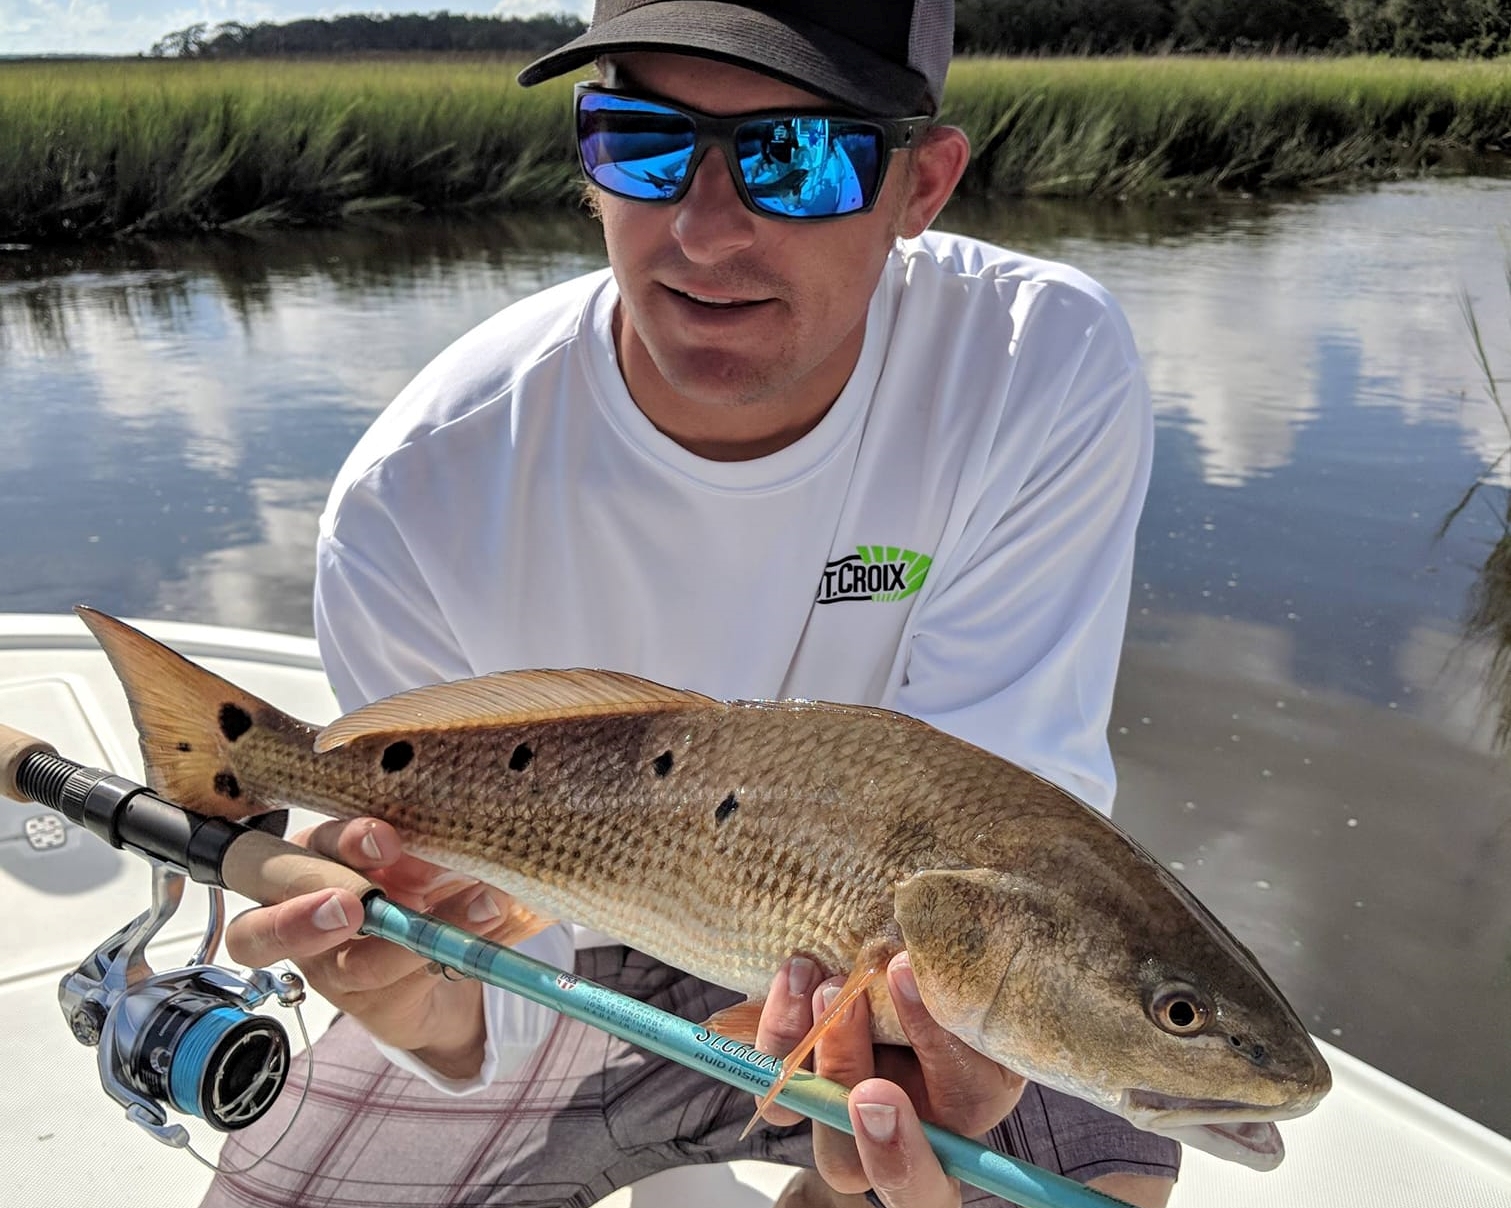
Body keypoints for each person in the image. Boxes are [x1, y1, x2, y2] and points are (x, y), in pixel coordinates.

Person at [201, 3, 1177, 1206]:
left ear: (920, 188)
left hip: (888, 929)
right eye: (644, 142)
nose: (704, 233)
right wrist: (430, 1003)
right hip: (572, 920)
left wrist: (886, 1121)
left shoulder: (1034, 366)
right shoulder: (415, 495)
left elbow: (1016, 829)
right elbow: (497, 986)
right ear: (585, 160)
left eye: (798, 156)